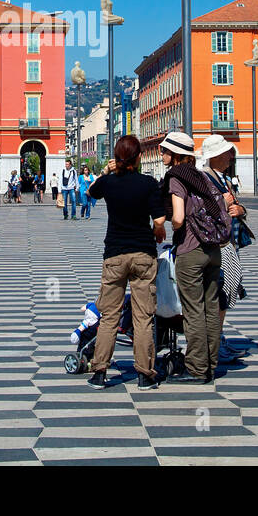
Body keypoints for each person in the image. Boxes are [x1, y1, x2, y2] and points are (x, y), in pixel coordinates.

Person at [84, 135, 167, 391]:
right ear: (139, 157)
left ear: (117, 158)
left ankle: (99, 372)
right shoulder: (148, 183)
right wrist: (157, 230)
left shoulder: (108, 182)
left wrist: (108, 170)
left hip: (115, 254)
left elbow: (90, 192)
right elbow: (161, 218)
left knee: (109, 315)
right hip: (143, 254)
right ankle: (144, 375)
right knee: (143, 317)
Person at [160, 131, 228, 384]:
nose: (162, 154)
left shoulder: (176, 177)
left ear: (177, 154)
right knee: (211, 306)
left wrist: (172, 228)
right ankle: (211, 364)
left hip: (191, 249)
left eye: (166, 150)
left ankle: (197, 368)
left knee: (193, 310)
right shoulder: (201, 176)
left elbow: (178, 217)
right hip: (213, 249)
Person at [198, 135, 251, 365]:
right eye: (227, 152)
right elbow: (200, 208)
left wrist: (240, 209)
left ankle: (218, 338)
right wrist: (222, 200)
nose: (231, 155)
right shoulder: (206, 178)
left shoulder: (224, 178)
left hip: (229, 242)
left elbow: (235, 207)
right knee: (218, 293)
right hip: (217, 245)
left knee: (227, 291)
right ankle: (214, 343)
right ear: (215, 156)